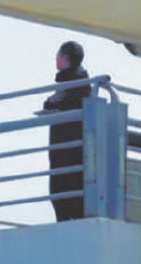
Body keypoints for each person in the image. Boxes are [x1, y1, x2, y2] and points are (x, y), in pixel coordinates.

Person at [42, 41, 90, 222]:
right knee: (60, 191)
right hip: (62, 148)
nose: (56, 58)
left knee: (67, 191)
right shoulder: (68, 82)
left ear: (67, 58)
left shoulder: (77, 82)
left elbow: (62, 103)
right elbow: (52, 103)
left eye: (60, 55)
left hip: (69, 148)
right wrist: (50, 102)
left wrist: (51, 103)